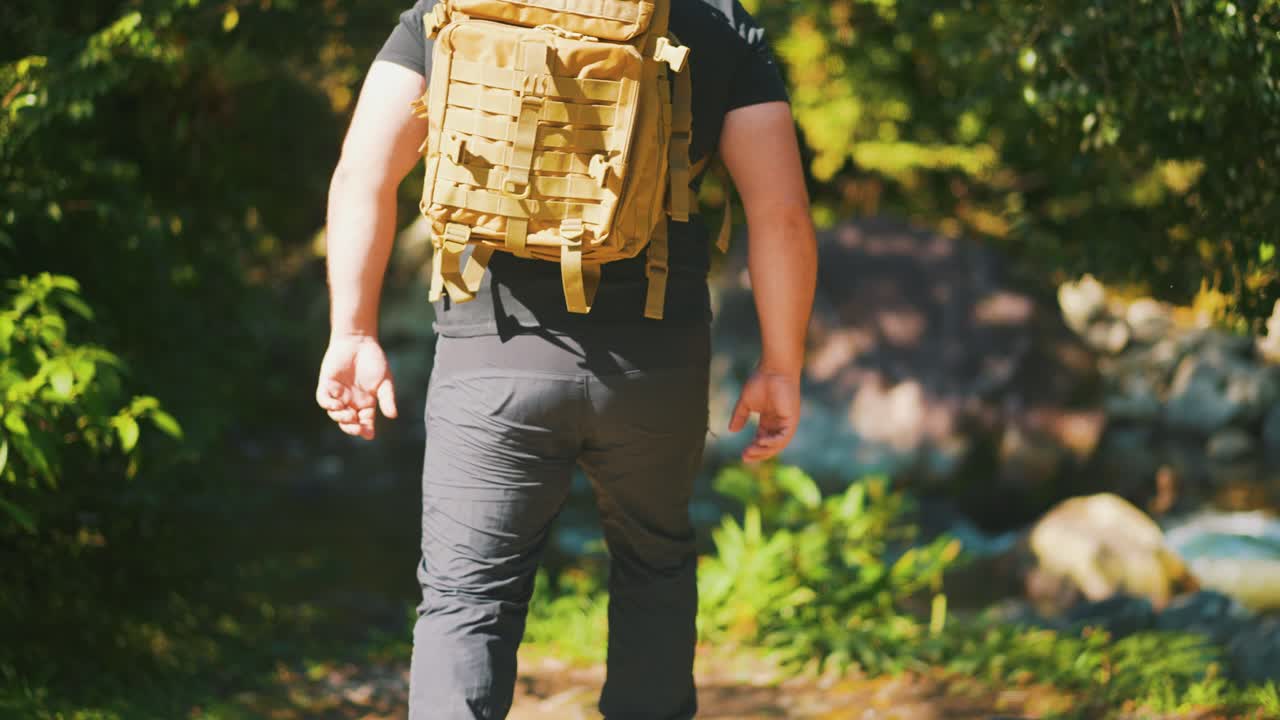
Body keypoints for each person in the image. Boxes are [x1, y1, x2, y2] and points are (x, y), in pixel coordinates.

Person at [314, 1, 816, 717]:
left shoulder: (456, 7)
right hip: (655, 362)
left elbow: (362, 172)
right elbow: (781, 213)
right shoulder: (713, 17)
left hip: (491, 353)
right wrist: (781, 364)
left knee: (467, 598)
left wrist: (353, 331)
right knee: (654, 564)